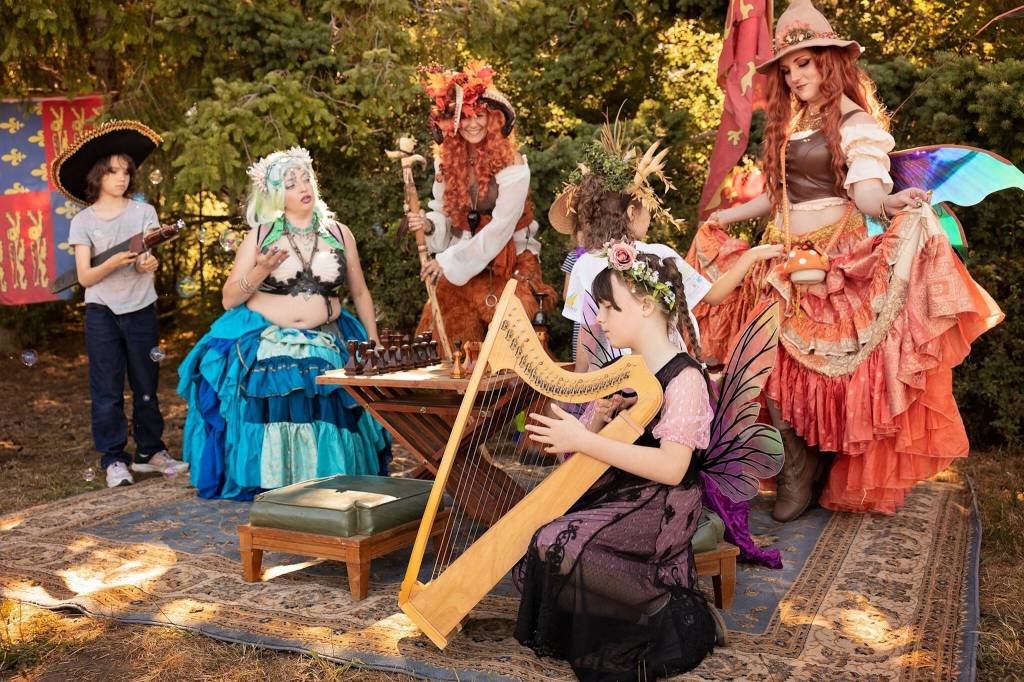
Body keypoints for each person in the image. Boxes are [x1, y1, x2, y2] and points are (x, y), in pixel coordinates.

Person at [687, 0, 1003, 519]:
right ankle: (796, 467)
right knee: (767, 362)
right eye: (787, 69)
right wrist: (725, 216)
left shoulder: (855, 123)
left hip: (835, 258)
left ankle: (821, 464)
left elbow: (867, 191)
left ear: (828, 63)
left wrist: (891, 203)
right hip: (781, 258)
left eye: (804, 64)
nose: (795, 76)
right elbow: (776, 197)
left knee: (832, 373)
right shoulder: (790, 122)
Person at [516, 248, 785, 680]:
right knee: (535, 557)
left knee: (555, 546)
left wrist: (586, 439)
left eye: (610, 307)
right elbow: (579, 458)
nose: (600, 319)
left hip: (662, 507)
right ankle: (636, 615)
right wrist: (596, 421)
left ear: (645, 306)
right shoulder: (626, 370)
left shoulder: (685, 378)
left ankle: (676, 611)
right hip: (620, 493)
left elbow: (672, 468)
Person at [177, 147, 391, 500]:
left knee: (328, 391)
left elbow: (360, 292)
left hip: (327, 335)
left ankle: (329, 481)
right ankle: (275, 483)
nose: (303, 187)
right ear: (276, 194)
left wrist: (374, 340)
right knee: (279, 396)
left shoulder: (339, 233)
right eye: (290, 184)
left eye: (306, 179)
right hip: (269, 337)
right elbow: (229, 299)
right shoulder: (261, 235)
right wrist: (261, 269)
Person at [550, 123, 782, 373]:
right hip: (663, 375)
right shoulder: (659, 255)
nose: (650, 216)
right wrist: (751, 255)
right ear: (631, 212)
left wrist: (580, 383)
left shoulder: (583, 264)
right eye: (648, 208)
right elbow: (714, 296)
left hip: (609, 380)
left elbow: (586, 333)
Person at [54, 120, 188, 488]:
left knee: (146, 384)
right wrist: (112, 263)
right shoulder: (83, 221)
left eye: (126, 171)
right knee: (107, 389)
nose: (121, 178)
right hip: (102, 313)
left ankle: (150, 452)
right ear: (97, 176)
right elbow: (85, 277)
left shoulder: (144, 213)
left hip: (141, 308)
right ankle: (114, 459)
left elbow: (146, 259)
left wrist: (147, 264)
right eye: (113, 171)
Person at [405, 61, 558, 344]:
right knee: (448, 336)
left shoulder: (513, 164)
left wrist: (447, 262)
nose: (473, 124)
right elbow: (443, 212)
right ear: (454, 122)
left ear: (493, 119)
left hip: (510, 259)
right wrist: (429, 225)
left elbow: (501, 228)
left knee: (516, 342)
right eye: (465, 117)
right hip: (463, 262)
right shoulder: (447, 161)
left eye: (480, 116)